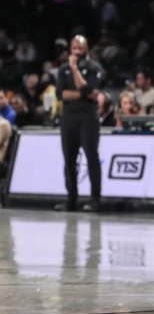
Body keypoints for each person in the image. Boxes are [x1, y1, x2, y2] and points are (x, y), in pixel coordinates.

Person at [55, 36, 104, 212]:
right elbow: (61, 94)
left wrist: (75, 69)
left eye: (80, 49)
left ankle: (95, 199)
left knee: (91, 157)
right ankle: (71, 199)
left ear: (87, 49)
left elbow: (90, 91)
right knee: (69, 158)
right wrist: (83, 93)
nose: (76, 52)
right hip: (68, 117)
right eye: (74, 48)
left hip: (88, 117)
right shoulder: (62, 69)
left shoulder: (95, 68)